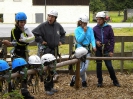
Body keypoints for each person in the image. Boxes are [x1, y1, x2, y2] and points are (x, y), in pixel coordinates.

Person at [2, 12, 35, 99]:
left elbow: (31, 38)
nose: (23, 24)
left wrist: (25, 40)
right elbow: (17, 42)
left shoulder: (26, 29)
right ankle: (12, 91)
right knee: (16, 72)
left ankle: (24, 92)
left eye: (24, 22)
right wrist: (25, 40)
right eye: (21, 22)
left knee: (24, 72)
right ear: (17, 22)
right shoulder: (14, 30)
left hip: (24, 53)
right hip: (17, 53)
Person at [32, 9, 66, 81]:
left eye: (52, 17)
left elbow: (63, 34)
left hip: (54, 49)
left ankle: (51, 81)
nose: (50, 18)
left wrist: (61, 41)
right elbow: (34, 33)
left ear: (55, 18)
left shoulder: (58, 25)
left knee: (52, 64)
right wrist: (41, 41)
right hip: (46, 49)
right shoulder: (43, 25)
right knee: (47, 65)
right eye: (49, 16)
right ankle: (48, 79)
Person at [93, 11, 120, 87]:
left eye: (100, 19)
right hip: (98, 49)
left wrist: (111, 50)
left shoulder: (108, 28)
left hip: (106, 49)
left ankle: (114, 80)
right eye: (97, 19)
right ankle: (100, 81)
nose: (98, 21)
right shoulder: (95, 28)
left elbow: (112, 39)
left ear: (104, 19)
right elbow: (92, 38)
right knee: (99, 65)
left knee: (109, 65)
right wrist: (96, 42)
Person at [70, 14, 96, 87]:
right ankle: (84, 82)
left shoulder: (90, 29)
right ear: (80, 22)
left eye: (86, 23)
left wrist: (94, 46)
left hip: (87, 50)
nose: (85, 25)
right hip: (80, 50)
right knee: (82, 67)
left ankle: (74, 77)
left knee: (84, 68)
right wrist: (84, 32)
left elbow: (92, 38)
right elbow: (79, 39)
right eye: (84, 23)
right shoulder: (77, 30)